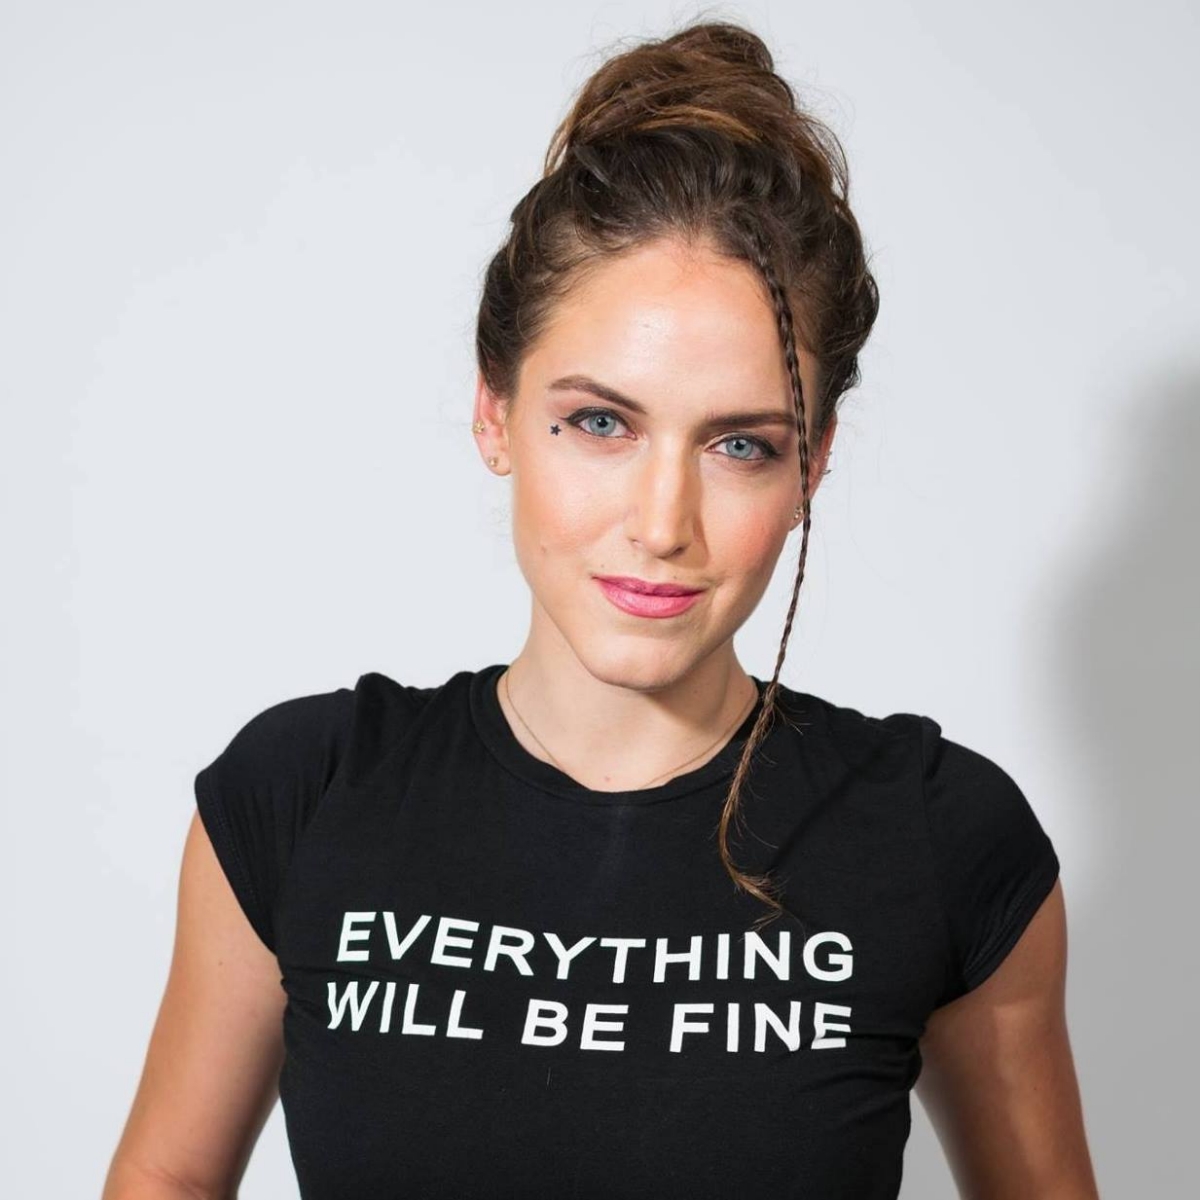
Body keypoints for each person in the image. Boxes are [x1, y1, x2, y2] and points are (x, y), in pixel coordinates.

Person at [103, 19, 1100, 1200]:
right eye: (600, 423)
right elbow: (163, 1179)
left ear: (814, 461)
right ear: (495, 412)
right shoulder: (300, 796)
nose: (661, 521)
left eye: (739, 444)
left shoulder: (943, 838)